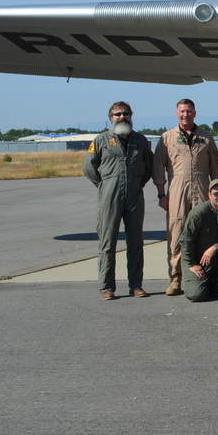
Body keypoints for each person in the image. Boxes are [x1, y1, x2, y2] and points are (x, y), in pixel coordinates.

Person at [83, 100, 154, 300]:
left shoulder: (141, 141)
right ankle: (106, 287)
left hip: (134, 197)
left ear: (131, 115)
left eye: (125, 114)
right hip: (109, 198)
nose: (122, 117)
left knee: (135, 242)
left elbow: (149, 167)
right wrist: (104, 185)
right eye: (117, 114)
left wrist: (137, 183)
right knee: (107, 243)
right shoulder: (100, 141)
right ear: (110, 118)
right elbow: (89, 168)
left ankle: (136, 285)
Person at [152, 97, 218, 297]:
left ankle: (203, 276)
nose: (185, 115)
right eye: (182, 111)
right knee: (176, 234)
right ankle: (176, 278)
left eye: (189, 111)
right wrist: (161, 194)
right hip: (177, 192)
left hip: (202, 190)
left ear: (195, 113)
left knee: (204, 232)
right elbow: (159, 168)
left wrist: (217, 195)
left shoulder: (206, 138)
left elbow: (215, 169)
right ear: (177, 113)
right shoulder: (166, 138)